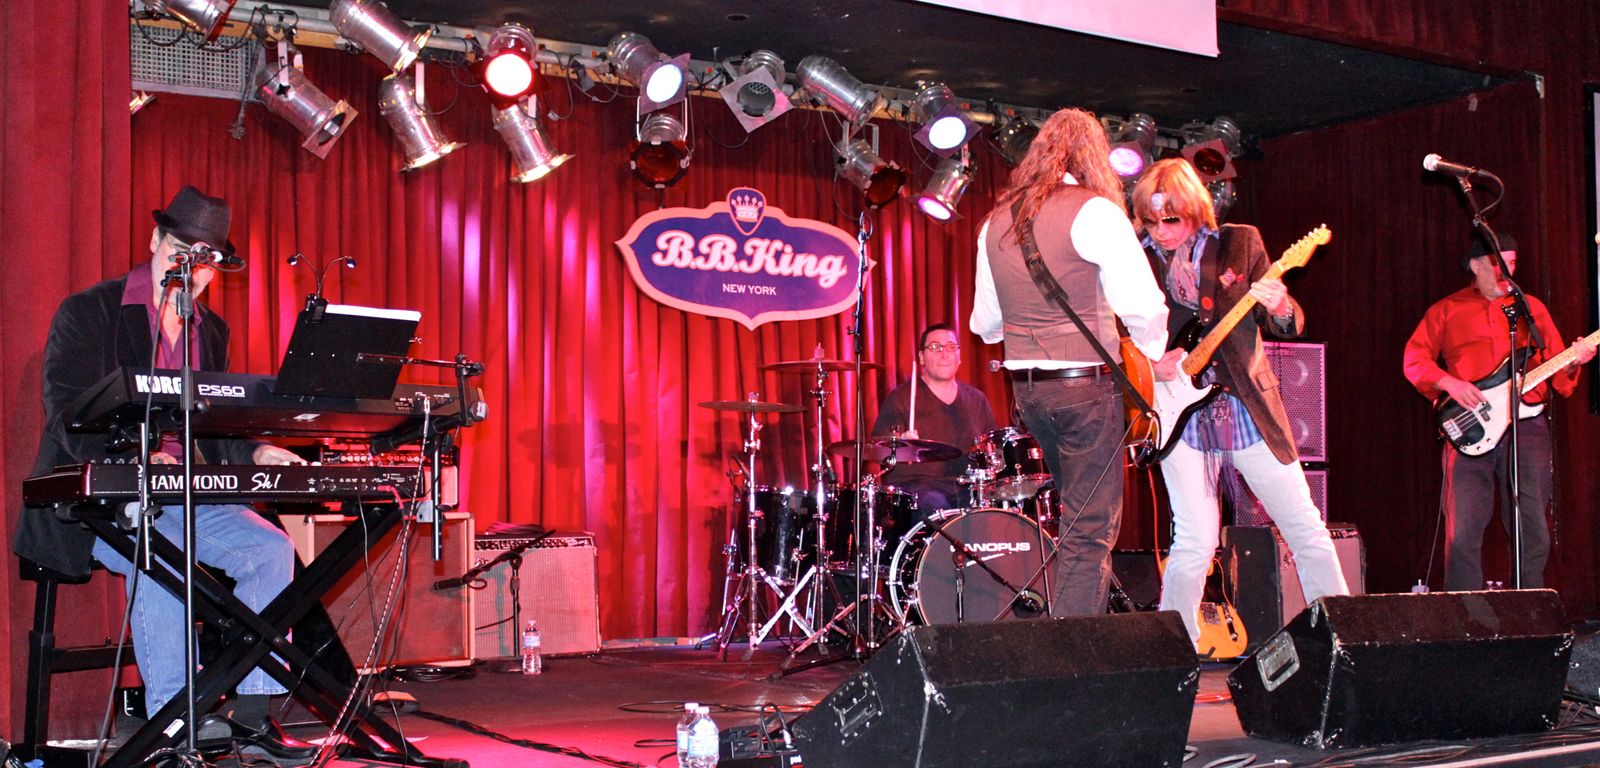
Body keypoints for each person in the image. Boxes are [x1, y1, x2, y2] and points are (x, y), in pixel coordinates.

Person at [13, 186, 315, 764]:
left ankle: (253, 717)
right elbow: (66, 411)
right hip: (104, 496)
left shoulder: (211, 331)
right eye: (181, 252)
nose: (190, 270)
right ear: (155, 240)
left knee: (270, 550)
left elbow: (216, 421)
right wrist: (137, 455)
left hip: (186, 493)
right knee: (160, 554)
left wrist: (256, 452)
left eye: (204, 261)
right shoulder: (91, 312)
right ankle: (175, 721)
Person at [1130, 158, 1348, 648]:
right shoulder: (1135, 260)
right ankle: (1172, 650)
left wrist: (1280, 305)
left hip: (1245, 404)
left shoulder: (1238, 243)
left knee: (1304, 526)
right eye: (1151, 220)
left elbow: (1285, 323)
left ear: (1194, 210)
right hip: (1178, 412)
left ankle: (1341, 637)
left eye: (1172, 219)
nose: (1161, 231)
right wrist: (1149, 365)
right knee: (1194, 540)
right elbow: (1116, 333)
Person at [970, 108, 1170, 617]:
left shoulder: (994, 223)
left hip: (1028, 393)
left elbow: (985, 325)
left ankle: (1073, 633)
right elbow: (1142, 306)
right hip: (1084, 388)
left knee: (1077, 520)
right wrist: (1154, 353)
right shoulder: (1096, 211)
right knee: (1089, 530)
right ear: (1092, 158)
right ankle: (1070, 649)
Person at [1402, 233, 1595, 590]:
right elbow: (1414, 360)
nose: (1508, 271)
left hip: (1527, 425)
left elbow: (1558, 371)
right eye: (1498, 263)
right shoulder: (1446, 310)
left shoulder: (1530, 308)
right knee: (1463, 529)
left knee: (1531, 527)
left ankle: (1530, 606)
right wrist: (1449, 383)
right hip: (1470, 425)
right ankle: (1466, 613)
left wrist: (1574, 360)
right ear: (1475, 266)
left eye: (1513, 263)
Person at [870, 323, 997, 514]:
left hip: (966, 487)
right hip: (918, 488)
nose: (944, 354)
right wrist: (901, 444)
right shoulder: (900, 399)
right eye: (935, 347)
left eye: (951, 347)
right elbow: (878, 450)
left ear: (959, 357)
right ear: (921, 357)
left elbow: (992, 447)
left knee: (992, 511)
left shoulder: (977, 399)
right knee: (934, 504)